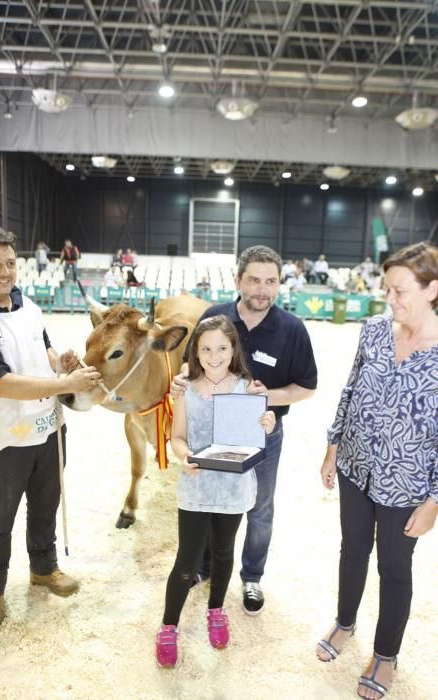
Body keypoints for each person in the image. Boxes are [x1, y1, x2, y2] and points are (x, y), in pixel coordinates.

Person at [316, 242, 438, 699]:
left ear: (432, 290)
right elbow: (350, 390)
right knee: (352, 550)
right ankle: (344, 622)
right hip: (355, 467)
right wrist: (333, 446)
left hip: (407, 485)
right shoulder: (372, 331)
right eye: (387, 288)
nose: (391, 299)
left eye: (401, 290)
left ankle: (385, 654)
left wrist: (435, 501)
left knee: (394, 567)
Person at [172, 245, 318, 614]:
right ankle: (204, 568)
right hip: (209, 433)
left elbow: (307, 387)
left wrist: (265, 397)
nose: (261, 289)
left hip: (262, 434)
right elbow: (192, 368)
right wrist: (179, 382)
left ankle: (251, 576)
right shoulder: (214, 317)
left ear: (280, 285)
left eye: (271, 281)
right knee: (210, 501)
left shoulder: (292, 329)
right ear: (238, 280)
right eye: (253, 279)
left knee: (259, 507)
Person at [0, 227, 100, 634]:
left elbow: (41, 350)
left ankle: (44, 569)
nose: (5, 272)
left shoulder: (29, 306)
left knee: (45, 507)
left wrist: (59, 360)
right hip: (6, 438)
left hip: (47, 429)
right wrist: (66, 385)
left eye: (10, 263)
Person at [156, 315, 276, 668]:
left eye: (222, 348)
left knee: (224, 552)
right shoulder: (186, 389)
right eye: (206, 348)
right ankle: (168, 626)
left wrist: (266, 424)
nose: (214, 355)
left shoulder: (247, 387)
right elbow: (176, 438)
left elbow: (255, 437)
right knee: (186, 561)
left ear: (233, 348)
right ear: (195, 350)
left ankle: (216, 610)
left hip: (232, 488)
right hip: (196, 486)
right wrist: (184, 456)